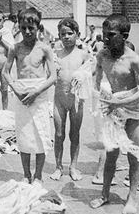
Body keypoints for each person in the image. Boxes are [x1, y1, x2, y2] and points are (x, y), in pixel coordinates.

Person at [90, 14, 139, 214]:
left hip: (132, 109)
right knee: (111, 154)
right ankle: (105, 194)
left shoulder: (134, 59)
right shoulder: (102, 55)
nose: (105, 39)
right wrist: (99, 93)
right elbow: (97, 80)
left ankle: (131, 198)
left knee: (134, 155)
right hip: (112, 108)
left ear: (124, 36)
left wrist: (119, 102)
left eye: (111, 35)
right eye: (104, 34)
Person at [3, 7, 57, 185]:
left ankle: (38, 175)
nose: (27, 32)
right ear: (19, 27)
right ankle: (26, 174)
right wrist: (16, 89)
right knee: (24, 136)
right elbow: (6, 72)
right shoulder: (15, 48)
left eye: (31, 28)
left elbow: (53, 76)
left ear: (38, 28)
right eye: (23, 28)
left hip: (39, 94)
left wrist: (37, 91)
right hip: (21, 95)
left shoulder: (45, 49)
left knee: (41, 135)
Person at [50, 18, 91, 181]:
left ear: (77, 34)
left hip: (76, 100)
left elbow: (91, 71)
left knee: (75, 133)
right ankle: (58, 166)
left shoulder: (83, 53)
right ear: (59, 36)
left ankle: (73, 166)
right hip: (59, 99)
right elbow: (49, 74)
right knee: (59, 134)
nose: (66, 37)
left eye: (70, 33)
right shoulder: (56, 55)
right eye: (62, 34)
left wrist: (83, 75)